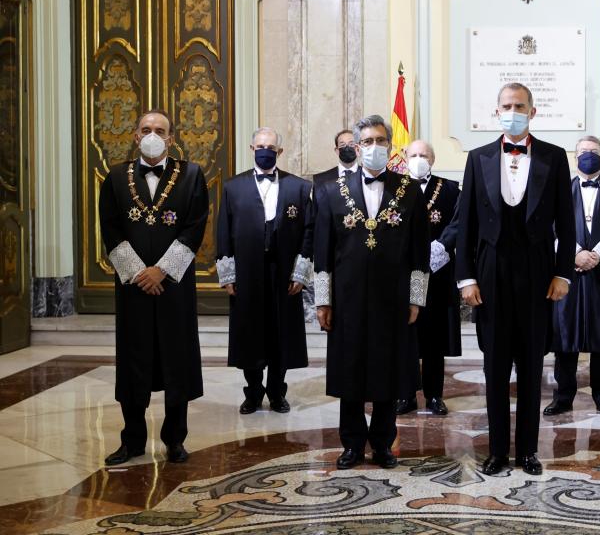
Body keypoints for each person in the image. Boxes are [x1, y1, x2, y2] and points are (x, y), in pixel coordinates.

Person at [455, 82, 575, 476]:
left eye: (519, 105)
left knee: (530, 366)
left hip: (538, 270)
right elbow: (466, 225)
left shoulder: (555, 158)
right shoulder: (478, 157)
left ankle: (527, 451)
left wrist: (563, 273)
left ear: (533, 111)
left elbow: (566, 223)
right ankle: (496, 452)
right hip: (490, 272)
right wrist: (466, 278)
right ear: (496, 111)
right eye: (506, 105)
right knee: (494, 368)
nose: (513, 111)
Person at [313, 114, 430, 470]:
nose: (374, 148)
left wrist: (415, 297)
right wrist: (323, 300)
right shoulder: (332, 190)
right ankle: (351, 444)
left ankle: (382, 443)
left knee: (387, 371)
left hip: (392, 299)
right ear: (356, 147)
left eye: (381, 141)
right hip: (346, 300)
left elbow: (419, 249)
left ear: (390, 145)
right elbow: (322, 249)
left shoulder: (408, 190)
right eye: (367, 142)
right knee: (350, 371)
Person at [98, 110, 209, 465]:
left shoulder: (192, 175)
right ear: (134, 136)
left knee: (177, 359)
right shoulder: (114, 178)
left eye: (160, 130)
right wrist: (137, 273)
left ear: (171, 138)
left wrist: (161, 271)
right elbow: (110, 230)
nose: (152, 135)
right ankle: (131, 441)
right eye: (146, 129)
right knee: (133, 362)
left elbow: (194, 228)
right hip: (133, 289)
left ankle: (174, 440)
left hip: (173, 287)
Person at [216, 128, 313, 415]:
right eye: (260, 146)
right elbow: (224, 231)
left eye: (270, 146)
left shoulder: (299, 187)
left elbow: (309, 231)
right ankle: (253, 392)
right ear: (251, 148)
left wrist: (301, 272)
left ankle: (277, 392)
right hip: (247, 272)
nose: (265, 150)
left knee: (281, 332)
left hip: (284, 273)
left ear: (279, 152)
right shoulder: (233, 187)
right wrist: (228, 274)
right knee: (250, 332)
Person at [546, 136, 600, 418]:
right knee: (565, 336)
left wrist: (596, 254)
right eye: (583, 152)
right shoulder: (558, 190)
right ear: (575, 157)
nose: (588, 156)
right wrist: (574, 254)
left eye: (594, 152)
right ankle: (563, 396)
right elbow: (548, 226)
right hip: (567, 272)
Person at [395, 140, 462, 416]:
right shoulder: (393, 187)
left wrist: (440, 248)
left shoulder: (449, 188)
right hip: (402, 273)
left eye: (423, 155)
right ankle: (405, 394)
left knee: (434, 337)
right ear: (405, 158)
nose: (418, 159)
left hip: (439, 271)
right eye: (413, 155)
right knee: (405, 336)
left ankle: (435, 395)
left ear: (432, 159)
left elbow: (459, 222)